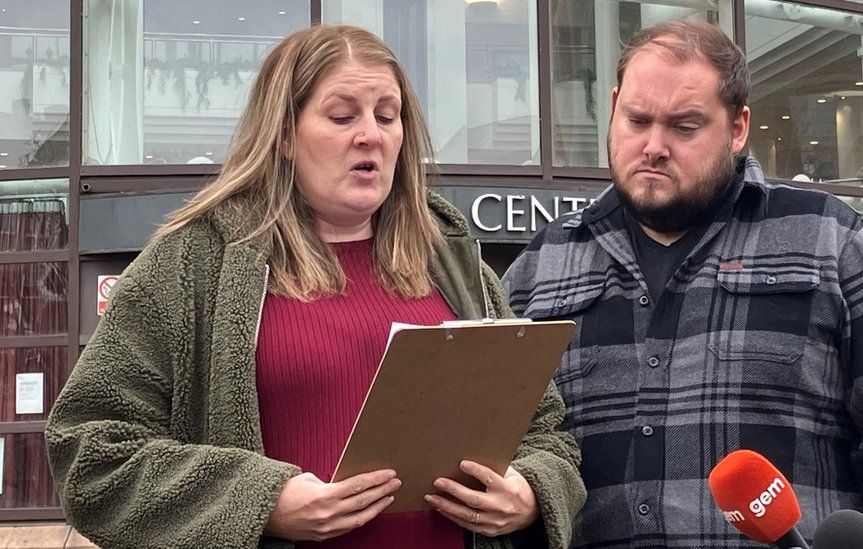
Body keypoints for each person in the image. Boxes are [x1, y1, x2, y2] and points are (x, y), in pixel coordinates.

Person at [46, 25, 584, 549]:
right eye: (342, 115)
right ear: (283, 133)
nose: (370, 134)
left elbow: (548, 435)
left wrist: (531, 492)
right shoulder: (194, 263)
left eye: (387, 116)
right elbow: (91, 452)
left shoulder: (456, 265)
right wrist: (262, 503)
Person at [502, 20, 863, 549]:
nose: (653, 146)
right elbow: (506, 445)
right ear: (615, 105)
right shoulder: (541, 265)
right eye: (637, 119)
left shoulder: (831, 241)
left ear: (737, 128)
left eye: (684, 127)